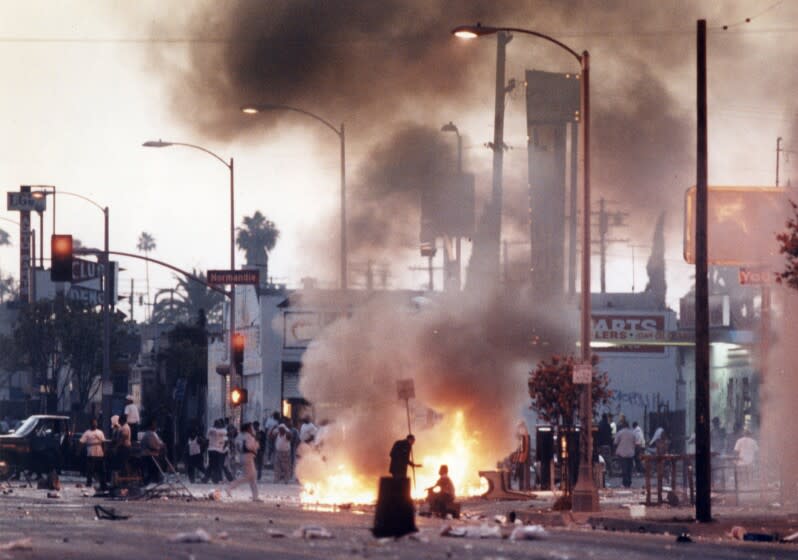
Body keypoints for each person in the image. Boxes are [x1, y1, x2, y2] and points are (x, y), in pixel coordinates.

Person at [225, 422, 261, 501]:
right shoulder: (248, 436)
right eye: (251, 428)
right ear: (248, 428)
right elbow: (249, 447)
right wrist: (256, 442)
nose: (252, 429)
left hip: (242, 456)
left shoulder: (239, 436)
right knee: (247, 477)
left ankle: (255, 496)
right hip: (248, 456)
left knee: (253, 477)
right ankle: (230, 487)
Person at [79, 418, 107, 492]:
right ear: (90, 424)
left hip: (99, 454)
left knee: (101, 470)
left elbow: (103, 442)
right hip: (91, 453)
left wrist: (104, 452)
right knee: (90, 470)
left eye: (96, 423)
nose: (95, 424)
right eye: (93, 423)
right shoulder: (87, 433)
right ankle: (89, 482)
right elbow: (81, 442)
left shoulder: (100, 432)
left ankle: (103, 483)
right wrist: (80, 450)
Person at [203, 419, 228, 484]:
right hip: (218, 450)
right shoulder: (223, 431)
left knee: (211, 465)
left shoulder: (210, 430)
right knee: (218, 465)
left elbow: (207, 439)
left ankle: (206, 478)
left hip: (211, 449)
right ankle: (217, 479)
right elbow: (225, 439)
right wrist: (223, 449)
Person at [140, 419, 164, 485]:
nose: (155, 426)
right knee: (153, 471)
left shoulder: (152, 433)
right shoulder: (150, 434)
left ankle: (154, 480)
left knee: (154, 471)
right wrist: (160, 446)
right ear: (150, 426)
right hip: (150, 456)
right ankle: (154, 481)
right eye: (154, 424)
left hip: (151, 455)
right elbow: (153, 445)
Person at [613, 421, 636, 488]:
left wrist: (615, 451)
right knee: (629, 469)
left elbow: (615, 443)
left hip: (622, 453)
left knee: (624, 469)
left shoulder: (620, 433)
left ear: (622, 426)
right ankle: (629, 482)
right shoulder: (632, 433)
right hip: (631, 453)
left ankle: (625, 483)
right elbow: (635, 443)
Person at [513, 421, 531, 491]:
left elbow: (523, 447)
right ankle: (522, 487)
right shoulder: (523, 435)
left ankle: (523, 487)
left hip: (522, 458)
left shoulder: (524, 435)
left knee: (522, 474)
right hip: (521, 457)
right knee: (520, 474)